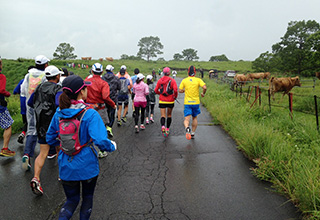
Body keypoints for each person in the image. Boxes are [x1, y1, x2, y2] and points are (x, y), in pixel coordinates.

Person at [46, 75, 117, 219]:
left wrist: (65, 145)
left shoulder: (59, 113)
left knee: (71, 201)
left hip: (66, 163)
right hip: (87, 165)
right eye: (85, 88)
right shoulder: (89, 113)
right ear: (82, 92)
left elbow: (50, 138)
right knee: (87, 198)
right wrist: (111, 146)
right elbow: (100, 140)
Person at [30, 65, 62, 195]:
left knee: (43, 153)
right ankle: (62, 175)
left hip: (41, 125)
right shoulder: (58, 89)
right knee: (60, 150)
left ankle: (36, 178)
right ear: (57, 76)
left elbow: (30, 103)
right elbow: (60, 105)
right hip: (54, 126)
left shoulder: (39, 87)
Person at [20, 55, 49, 169]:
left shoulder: (28, 75)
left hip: (29, 105)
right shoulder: (45, 76)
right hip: (41, 107)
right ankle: (48, 153)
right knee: (43, 129)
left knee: (31, 129)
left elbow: (23, 90)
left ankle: (27, 154)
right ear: (45, 65)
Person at [85, 63, 116, 158]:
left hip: (88, 107)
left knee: (86, 128)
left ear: (92, 71)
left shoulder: (86, 81)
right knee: (101, 129)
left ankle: (86, 149)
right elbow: (105, 96)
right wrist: (113, 104)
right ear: (102, 72)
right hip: (100, 109)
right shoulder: (103, 83)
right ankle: (102, 151)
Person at [179, 65, 207, 140]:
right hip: (196, 102)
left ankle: (187, 128)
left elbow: (180, 90)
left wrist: (185, 90)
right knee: (194, 118)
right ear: (195, 72)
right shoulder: (198, 80)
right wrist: (203, 93)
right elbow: (204, 87)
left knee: (187, 119)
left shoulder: (184, 80)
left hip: (187, 102)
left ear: (188, 72)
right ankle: (193, 133)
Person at [154, 67, 178, 137]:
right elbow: (175, 90)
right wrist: (175, 96)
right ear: (169, 73)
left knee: (163, 115)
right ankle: (167, 129)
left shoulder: (160, 80)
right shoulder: (172, 80)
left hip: (162, 100)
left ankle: (163, 127)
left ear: (163, 73)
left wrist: (160, 94)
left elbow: (155, 90)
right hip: (170, 100)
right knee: (169, 115)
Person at [0, 56, 16, 157]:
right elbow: (1, 90)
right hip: (0, 106)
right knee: (8, 125)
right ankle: (5, 148)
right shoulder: (1, 77)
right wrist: (8, 94)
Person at [102, 64, 120, 138]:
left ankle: (105, 127)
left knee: (105, 113)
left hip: (104, 99)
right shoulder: (116, 78)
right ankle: (109, 127)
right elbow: (119, 87)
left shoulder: (102, 78)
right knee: (112, 114)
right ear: (112, 70)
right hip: (113, 98)